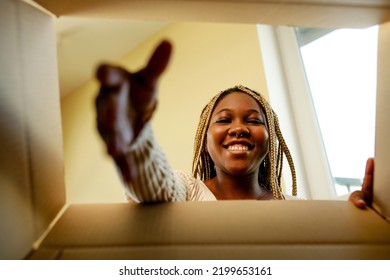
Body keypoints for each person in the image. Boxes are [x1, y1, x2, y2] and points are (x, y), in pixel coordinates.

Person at [95, 40, 373, 206]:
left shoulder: (295, 208)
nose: (238, 128)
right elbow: (152, 188)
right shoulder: (187, 192)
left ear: (270, 138)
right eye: (224, 120)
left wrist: (359, 221)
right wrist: (135, 134)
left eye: (253, 120)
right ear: (205, 139)